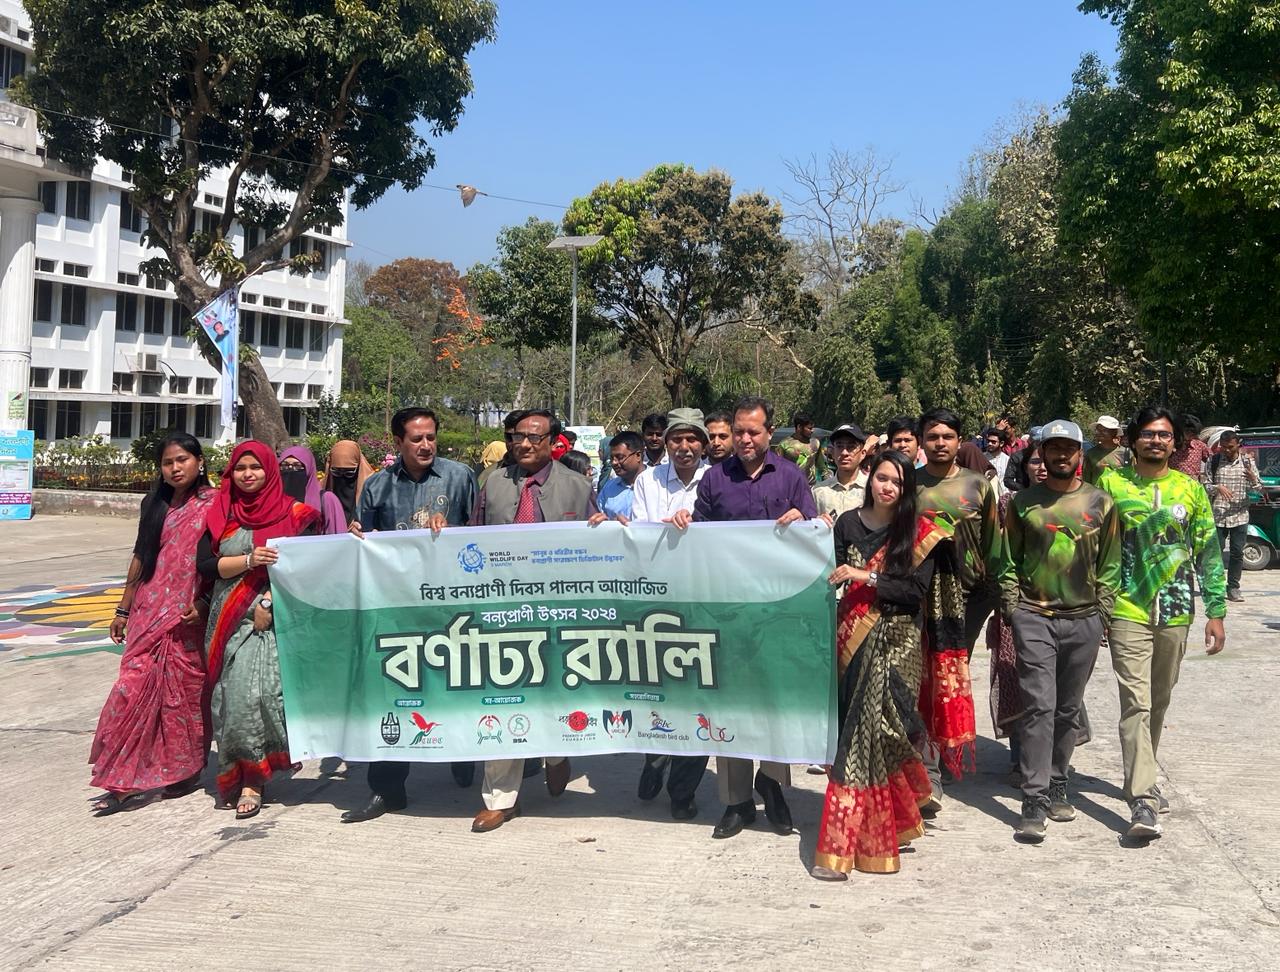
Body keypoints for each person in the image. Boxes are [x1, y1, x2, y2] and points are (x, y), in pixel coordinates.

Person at [687, 395, 822, 839]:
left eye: (753, 432)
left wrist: (804, 519)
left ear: (770, 433)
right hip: (729, 611)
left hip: (780, 610)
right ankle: (737, 801)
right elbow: (698, 544)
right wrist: (682, 523)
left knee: (776, 699)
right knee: (732, 702)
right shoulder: (713, 480)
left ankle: (775, 783)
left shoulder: (792, 476)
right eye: (738, 431)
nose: (745, 439)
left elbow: (816, 533)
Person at [340, 408, 479, 823]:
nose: (425, 445)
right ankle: (388, 790)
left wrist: (454, 535)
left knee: (460, 687)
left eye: (431, 437)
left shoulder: (460, 477)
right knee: (392, 696)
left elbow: (483, 533)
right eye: (416, 439)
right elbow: (363, 542)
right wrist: (356, 537)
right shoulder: (377, 487)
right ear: (398, 442)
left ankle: (464, 755)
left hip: (452, 607)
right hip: (396, 610)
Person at [810, 451, 944, 878]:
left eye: (897, 482)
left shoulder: (920, 533)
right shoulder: (848, 524)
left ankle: (880, 825)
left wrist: (865, 577)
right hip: (852, 638)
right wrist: (809, 532)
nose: (887, 487)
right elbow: (823, 571)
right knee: (857, 738)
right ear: (870, 479)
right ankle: (855, 842)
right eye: (881, 478)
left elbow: (913, 592)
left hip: (898, 642)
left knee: (887, 736)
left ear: (906, 491)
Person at [1097, 406, 1226, 840]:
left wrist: (1216, 612)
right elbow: (1094, 545)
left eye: (1165, 435)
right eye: (1149, 434)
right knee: (1135, 701)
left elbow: (1208, 551)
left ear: (1176, 443)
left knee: (1159, 697)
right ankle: (1143, 798)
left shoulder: (1189, 490)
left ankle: (1142, 772)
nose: (1157, 441)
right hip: (1126, 608)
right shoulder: (1111, 484)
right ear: (1133, 440)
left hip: (1175, 609)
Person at [471, 409, 597, 833]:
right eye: (519, 437)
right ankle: (500, 798)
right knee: (503, 695)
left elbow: (595, 554)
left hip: (560, 616)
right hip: (502, 611)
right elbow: (469, 540)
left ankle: (557, 752)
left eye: (535, 438)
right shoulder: (492, 483)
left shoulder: (578, 487)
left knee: (554, 693)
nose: (525, 445)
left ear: (553, 442)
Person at [1000, 420, 1121, 843]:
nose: (1062, 455)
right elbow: (1007, 559)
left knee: (1068, 709)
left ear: (1079, 454)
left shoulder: (1101, 503)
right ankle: (1033, 798)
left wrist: (1102, 611)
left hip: (1084, 619)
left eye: (1069, 448)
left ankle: (1056, 782)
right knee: (1038, 705)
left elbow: (1110, 562)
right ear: (1042, 454)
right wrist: (1013, 606)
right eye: (1053, 448)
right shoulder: (1023, 504)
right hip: (1034, 616)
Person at [89, 434, 216, 816]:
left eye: (182, 460)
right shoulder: (154, 504)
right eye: (167, 462)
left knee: (182, 699)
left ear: (199, 462)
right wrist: (123, 608)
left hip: (187, 617)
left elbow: (218, 560)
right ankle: (121, 776)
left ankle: (185, 769)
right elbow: (141, 556)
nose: (175, 468)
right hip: (148, 613)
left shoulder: (213, 505)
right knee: (130, 692)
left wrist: (203, 603)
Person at [199, 442, 319, 818]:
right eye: (240, 468)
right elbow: (206, 564)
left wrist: (267, 602)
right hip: (228, 618)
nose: (248, 474)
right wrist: (249, 559)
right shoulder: (220, 512)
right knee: (230, 699)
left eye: (256, 467)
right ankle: (238, 773)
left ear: (270, 471)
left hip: (274, 616)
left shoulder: (295, 514)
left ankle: (255, 778)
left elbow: (307, 567)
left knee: (264, 696)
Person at [627, 408, 714, 819]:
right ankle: (653, 757)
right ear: (665, 442)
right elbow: (641, 533)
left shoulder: (716, 480)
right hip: (655, 599)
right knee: (654, 687)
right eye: (676, 439)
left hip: (700, 599)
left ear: (703, 443)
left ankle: (683, 790)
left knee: (696, 691)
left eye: (692, 439)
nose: (684, 447)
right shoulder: (647, 479)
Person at [914, 408, 999, 812]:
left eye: (948, 436)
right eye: (933, 437)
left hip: (970, 597)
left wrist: (1002, 595)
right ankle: (928, 771)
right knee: (923, 679)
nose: (941, 443)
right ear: (921, 442)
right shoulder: (909, 485)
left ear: (959, 441)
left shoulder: (978, 486)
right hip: (917, 597)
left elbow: (996, 544)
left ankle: (944, 758)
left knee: (951, 678)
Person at [987, 446, 1048, 785]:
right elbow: (998, 551)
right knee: (1015, 676)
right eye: (1034, 461)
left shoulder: (1071, 501)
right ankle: (1019, 758)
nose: (1041, 467)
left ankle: (1049, 761)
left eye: (1045, 459)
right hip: (1015, 603)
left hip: (1059, 606)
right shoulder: (1009, 502)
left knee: (1049, 684)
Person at [1202, 428, 1261, 604]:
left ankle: (1233, 587)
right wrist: (1217, 487)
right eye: (1223, 447)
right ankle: (1216, 587)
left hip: (1240, 515)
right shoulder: (1213, 461)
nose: (1226, 450)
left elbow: (1258, 489)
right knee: (1216, 553)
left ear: (1238, 445)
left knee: (1237, 553)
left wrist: (1253, 479)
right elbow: (1204, 485)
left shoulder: (1247, 463)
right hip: (1218, 514)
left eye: (1230, 447)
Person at [280, 446, 347, 534]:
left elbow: (340, 539)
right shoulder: (273, 500)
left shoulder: (327, 500)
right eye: (284, 466)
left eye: (297, 466)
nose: (290, 470)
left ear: (309, 469)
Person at [812, 423, 869, 518]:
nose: (844, 453)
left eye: (851, 447)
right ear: (832, 452)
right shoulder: (818, 491)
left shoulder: (871, 489)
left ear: (862, 454)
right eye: (839, 446)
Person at [323, 440, 376, 527]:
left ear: (359, 467)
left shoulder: (373, 490)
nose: (342, 477)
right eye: (336, 471)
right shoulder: (321, 491)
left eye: (349, 472)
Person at [596, 430, 644, 520]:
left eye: (620, 457)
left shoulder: (657, 484)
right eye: (612, 458)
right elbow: (599, 515)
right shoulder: (609, 488)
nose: (614, 462)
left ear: (638, 455)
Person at [775, 411, 828, 485]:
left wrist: (828, 483)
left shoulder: (815, 443)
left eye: (812, 428)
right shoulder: (784, 445)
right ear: (799, 427)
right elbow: (778, 470)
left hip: (811, 488)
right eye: (809, 428)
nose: (812, 431)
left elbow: (823, 468)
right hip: (791, 488)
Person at [479, 410, 525, 490]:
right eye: (509, 437)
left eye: (519, 437)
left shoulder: (548, 475)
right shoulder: (489, 475)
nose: (514, 443)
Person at [1082, 415, 1129, 485]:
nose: (1099, 433)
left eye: (1104, 430)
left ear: (1114, 432)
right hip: (1097, 495)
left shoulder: (1127, 453)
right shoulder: (1091, 454)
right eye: (1098, 430)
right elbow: (1086, 481)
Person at [1003, 426, 1043, 493]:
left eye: (1041, 441)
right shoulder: (1017, 457)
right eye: (1036, 441)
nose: (1038, 444)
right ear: (1029, 441)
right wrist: (1025, 489)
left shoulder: (1051, 456)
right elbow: (1008, 480)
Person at [1170, 413, 1211, 478]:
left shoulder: (1199, 446)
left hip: (1193, 486)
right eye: (1188, 433)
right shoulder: (1170, 446)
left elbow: (1212, 461)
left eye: (1193, 434)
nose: (1190, 437)